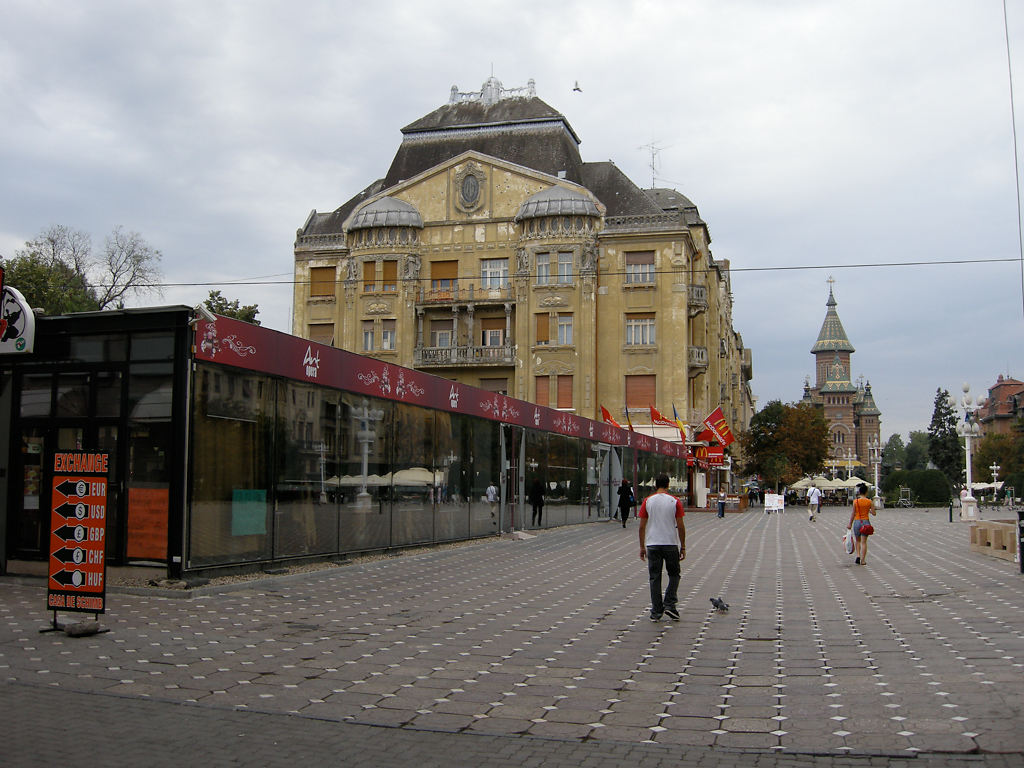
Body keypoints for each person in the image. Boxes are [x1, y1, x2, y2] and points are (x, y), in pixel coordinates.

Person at [638, 473, 686, 621]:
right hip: (670, 543)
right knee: (674, 574)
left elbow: (641, 526)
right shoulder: (674, 501)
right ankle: (670, 604)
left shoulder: (647, 501)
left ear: (655, 485)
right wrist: (683, 546)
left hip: (652, 543)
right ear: (668, 485)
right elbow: (680, 525)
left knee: (655, 577)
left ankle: (656, 611)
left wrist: (642, 547)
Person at [846, 482, 877, 565]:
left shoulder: (855, 501)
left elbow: (853, 513)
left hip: (857, 522)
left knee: (858, 541)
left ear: (859, 492)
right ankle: (863, 560)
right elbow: (874, 513)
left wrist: (850, 524)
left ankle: (858, 556)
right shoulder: (869, 501)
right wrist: (869, 510)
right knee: (864, 542)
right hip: (866, 522)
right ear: (866, 492)